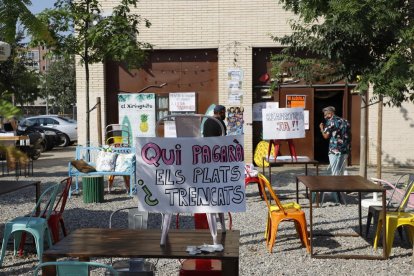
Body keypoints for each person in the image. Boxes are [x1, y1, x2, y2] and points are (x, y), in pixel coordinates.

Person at [319, 106, 351, 175]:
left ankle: (336, 185)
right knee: (342, 170)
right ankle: (343, 183)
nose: (324, 117)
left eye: (325, 115)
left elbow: (325, 136)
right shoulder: (345, 121)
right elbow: (349, 134)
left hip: (334, 150)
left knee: (335, 171)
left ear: (330, 113)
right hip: (345, 149)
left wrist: (321, 128)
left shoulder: (330, 122)